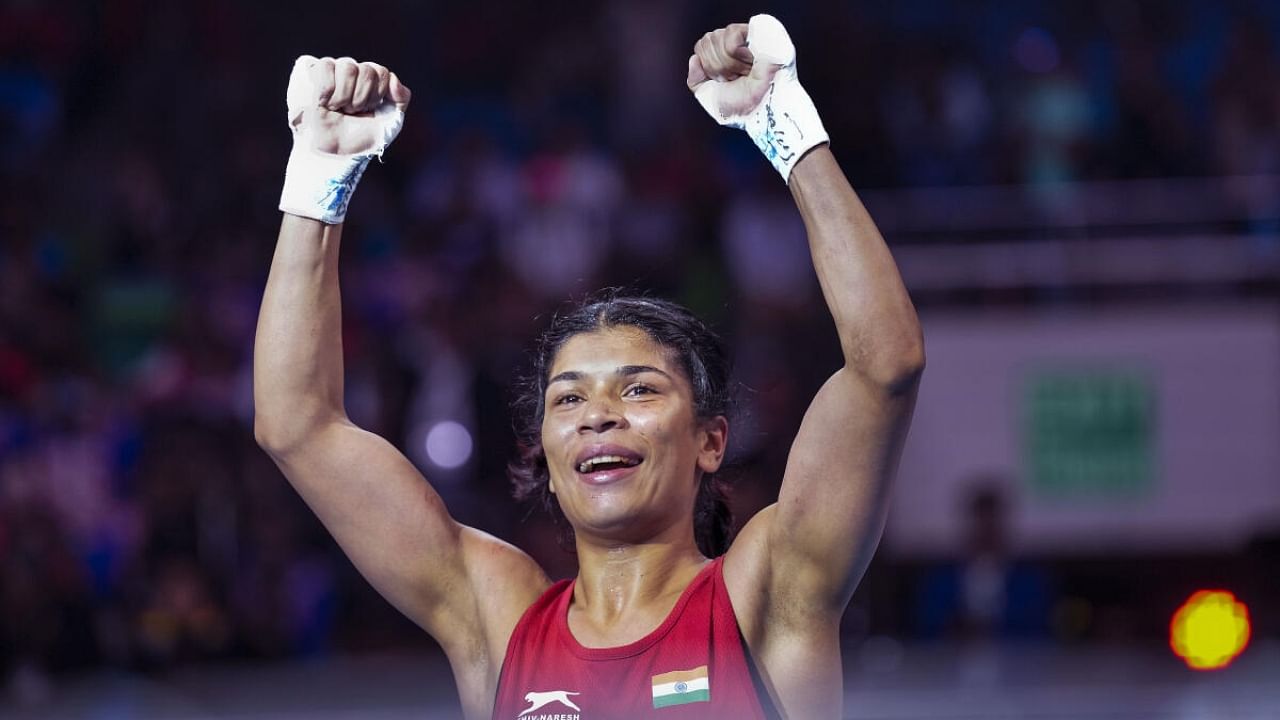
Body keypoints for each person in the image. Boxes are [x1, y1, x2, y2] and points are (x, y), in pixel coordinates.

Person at [254, 15, 923, 720]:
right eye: (568, 400)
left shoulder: (769, 592)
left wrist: (785, 127)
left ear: (711, 440)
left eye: (639, 389)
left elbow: (886, 365)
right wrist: (319, 177)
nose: (599, 414)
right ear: (543, 448)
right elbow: (297, 425)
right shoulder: (498, 618)